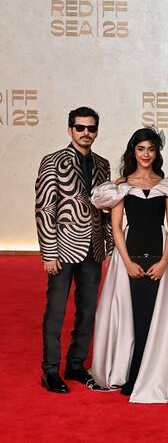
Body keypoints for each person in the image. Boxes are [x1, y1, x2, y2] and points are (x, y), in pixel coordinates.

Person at [88, 127, 168, 403]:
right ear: (133, 152)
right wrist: (127, 262)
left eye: (151, 149)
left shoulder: (167, 185)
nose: (146, 154)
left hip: (159, 259)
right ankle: (131, 373)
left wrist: (164, 261)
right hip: (129, 260)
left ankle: (152, 373)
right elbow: (117, 228)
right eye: (141, 149)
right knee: (130, 317)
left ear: (157, 153)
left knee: (155, 318)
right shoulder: (120, 185)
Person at [35, 106, 113, 393]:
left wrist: (109, 245)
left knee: (88, 310)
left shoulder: (103, 164)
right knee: (56, 310)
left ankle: (75, 365)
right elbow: (45, 208)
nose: (85, 133)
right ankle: (50, 371)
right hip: (62, 248)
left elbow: (106, 210)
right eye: (80, 127)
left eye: (91, 128)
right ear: (70, 130)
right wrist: (49, 253)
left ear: (96, 131)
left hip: (93, 248)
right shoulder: (52, 161)